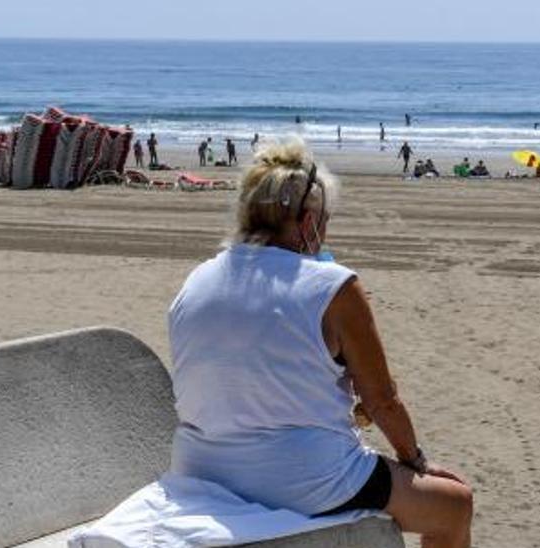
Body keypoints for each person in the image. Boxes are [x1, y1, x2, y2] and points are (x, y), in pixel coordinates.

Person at [167, 139, 473, 547]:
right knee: (455, 505)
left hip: (200, 468)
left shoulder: (197, 280)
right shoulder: (333, 287)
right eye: (325, 221)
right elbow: (382, 400)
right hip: (303, 478)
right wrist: (416, 461)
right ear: (308, 221)